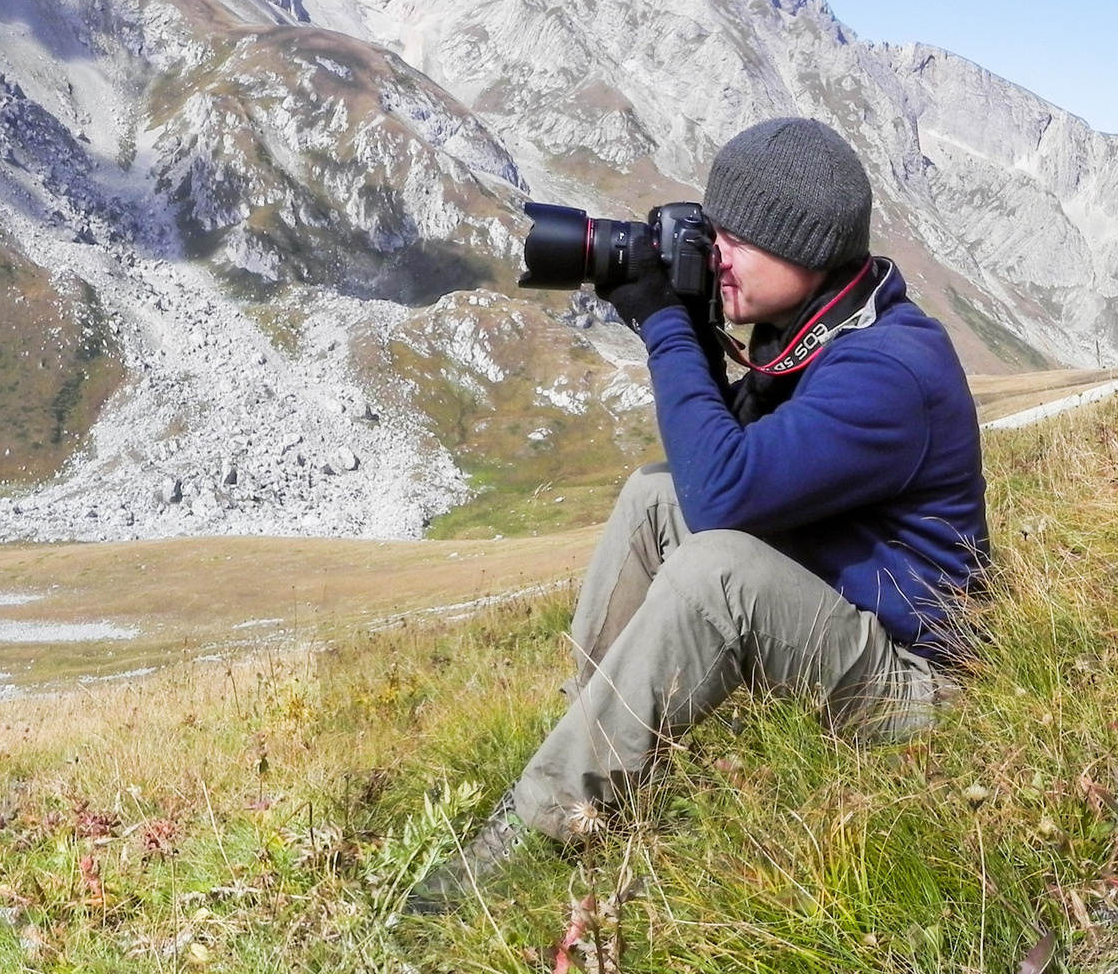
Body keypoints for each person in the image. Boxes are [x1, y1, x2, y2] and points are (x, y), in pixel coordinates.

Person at [409, 117, 987, 910]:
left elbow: (724, 495)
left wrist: (666, 327)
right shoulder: (813, 330)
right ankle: (603, 749)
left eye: (737, 240)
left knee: (719, 569)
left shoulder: (887, 369)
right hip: (836, 618)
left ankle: (533, 836)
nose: (716, 254)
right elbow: (708, 472)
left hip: (915, 685)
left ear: (806, 250)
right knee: (654, 494)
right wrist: (703, 331)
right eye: (713, 231)